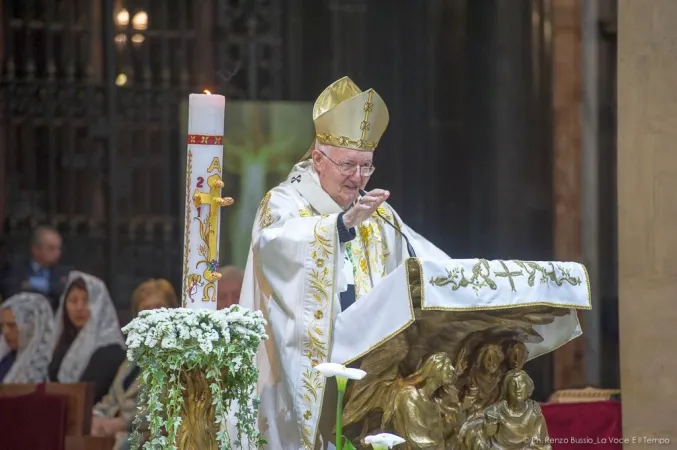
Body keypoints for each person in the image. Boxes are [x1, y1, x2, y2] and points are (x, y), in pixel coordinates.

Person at [238, 76, 450, 449]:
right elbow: (275, 247)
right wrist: (339, 226)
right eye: (349, 165)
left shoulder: (377, 213)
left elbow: (428, 261)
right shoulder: (283, 202)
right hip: (305, 372)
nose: (358, 178)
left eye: (367, 166)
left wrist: (475, 279)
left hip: (372, 373)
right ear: (318, 159)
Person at [91, 278, 178, 450]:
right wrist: (96, 417)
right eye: (145, 310)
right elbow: (112, 398)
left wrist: (122, 423)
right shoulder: (133, 357)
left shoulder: (177, 356)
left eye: (159, 308)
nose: (153, 316)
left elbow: (167, 409)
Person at [48, 271, 126, 402]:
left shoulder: (110, 349)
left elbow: (91, 394)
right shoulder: (63, 344)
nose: (79, 307)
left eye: (87, 301)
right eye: (73, 300)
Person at [1, 226, 71, 311]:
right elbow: (13, 294)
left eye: (58, 248)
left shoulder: (65, 273)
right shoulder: (15, 269)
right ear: (36, 249)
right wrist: (50, 290)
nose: (57, 253)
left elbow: (64, 296)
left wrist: (31, 284)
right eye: (51, 248)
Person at [0, 292, 55, 382]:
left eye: (12, 325)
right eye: (2, 325)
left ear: (32, 326)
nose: (5, 332)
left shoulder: (46, 365)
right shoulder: (5, 358)